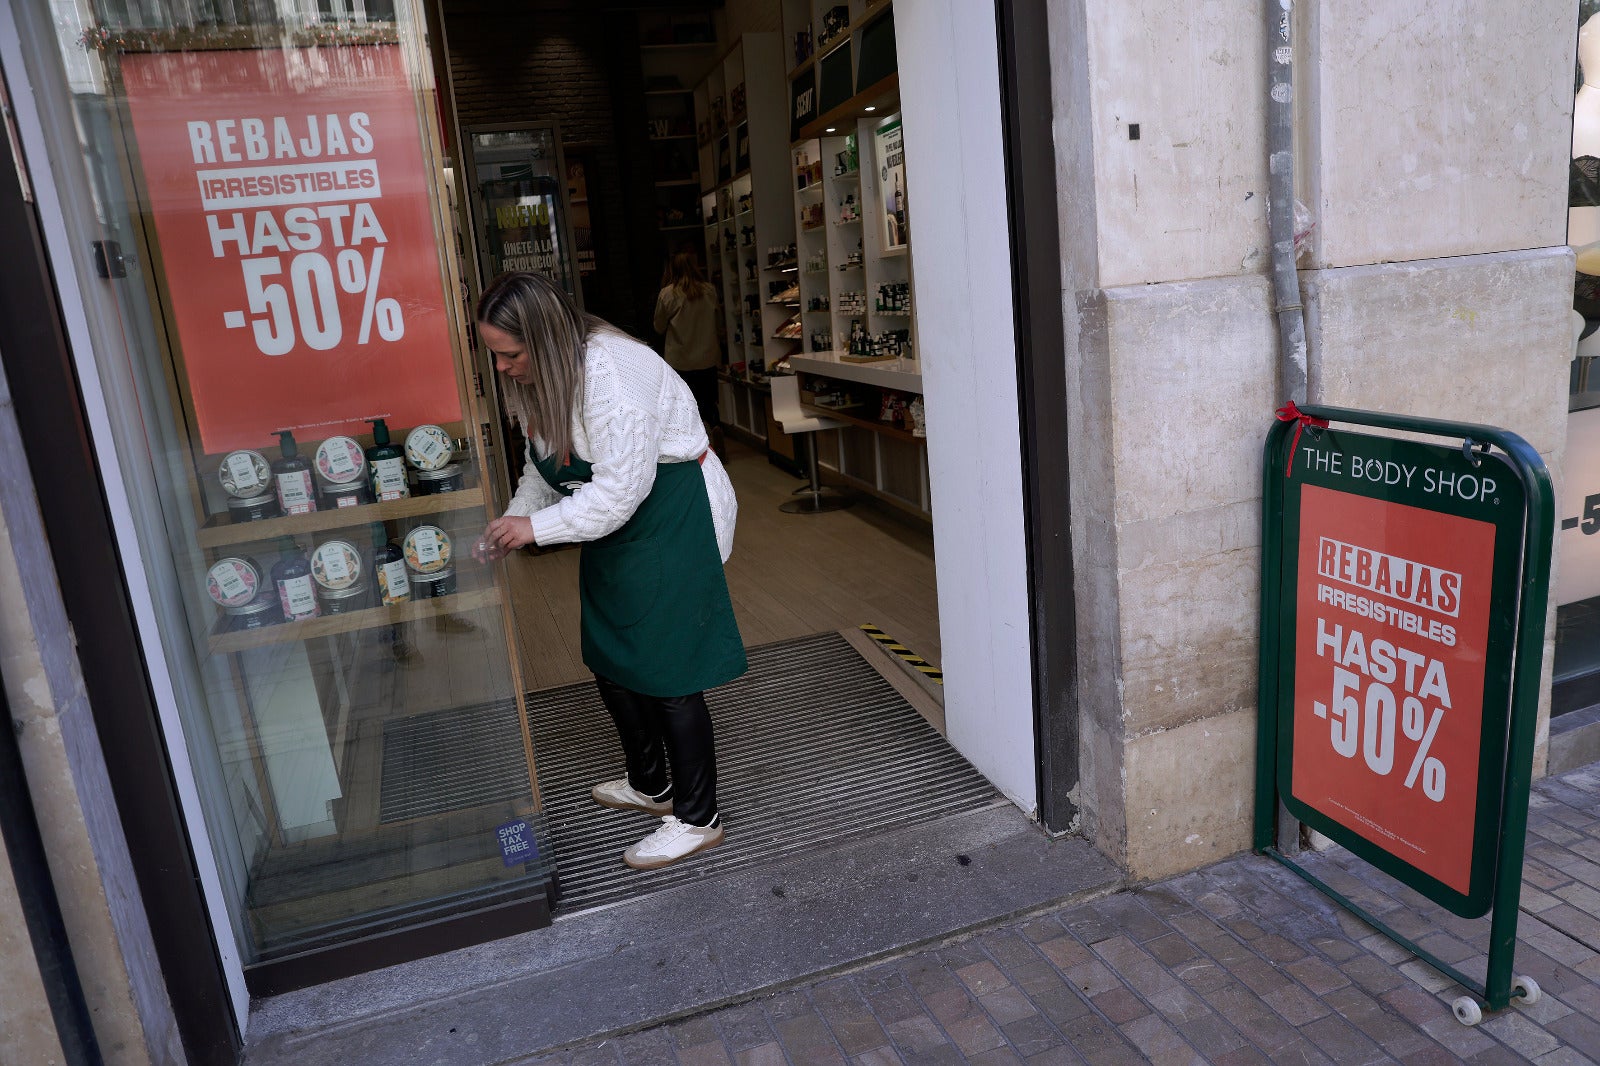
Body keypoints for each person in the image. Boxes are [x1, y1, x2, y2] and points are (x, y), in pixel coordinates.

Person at [473, 272, 746, 870]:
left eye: (510, 354)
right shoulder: (539, 377)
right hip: (610, 520)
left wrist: (535, 530)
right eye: (494, 354)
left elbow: (622, 489)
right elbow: (542, 469)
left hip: (669, 512)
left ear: (542, 340)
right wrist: (515, 519)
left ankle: (699, 818)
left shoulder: (611, 370)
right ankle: (651, 785)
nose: (502, 368)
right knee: (612, 659)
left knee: (670, 672)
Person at [652, 252, 724, 457]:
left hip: (680, 359)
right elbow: (718, 323)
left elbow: (658, 326)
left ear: (671, 269)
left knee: (685, 403)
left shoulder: (667, 294)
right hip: (707, 356)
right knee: (709, 400)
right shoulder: (709, 291)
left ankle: (696, 444)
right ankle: (715, 424)